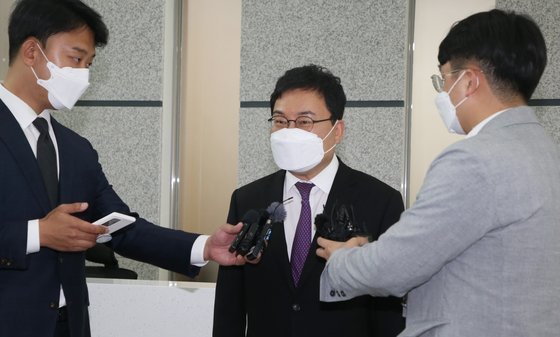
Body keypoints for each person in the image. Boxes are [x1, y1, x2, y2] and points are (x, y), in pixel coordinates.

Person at [0, 1, 245, 336]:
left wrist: (205, 247)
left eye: (89, 64)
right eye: (75, 58)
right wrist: (37, 234)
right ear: (31, 51)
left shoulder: (76, 150)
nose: (83, 74)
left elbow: (121, 228)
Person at [317, 9, 560, 337]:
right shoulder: (548, 153)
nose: (443, 92)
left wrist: (342, 260)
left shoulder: (474, 160)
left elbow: (395, 266)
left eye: (443, 79)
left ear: (469, 81)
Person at [213, 64, 405, 337]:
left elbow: (389, 308)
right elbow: (229, 307)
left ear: (337, 131)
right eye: (280, 121)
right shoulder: (247, 200)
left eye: (304, 122)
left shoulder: (380, 201)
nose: (290, 131)